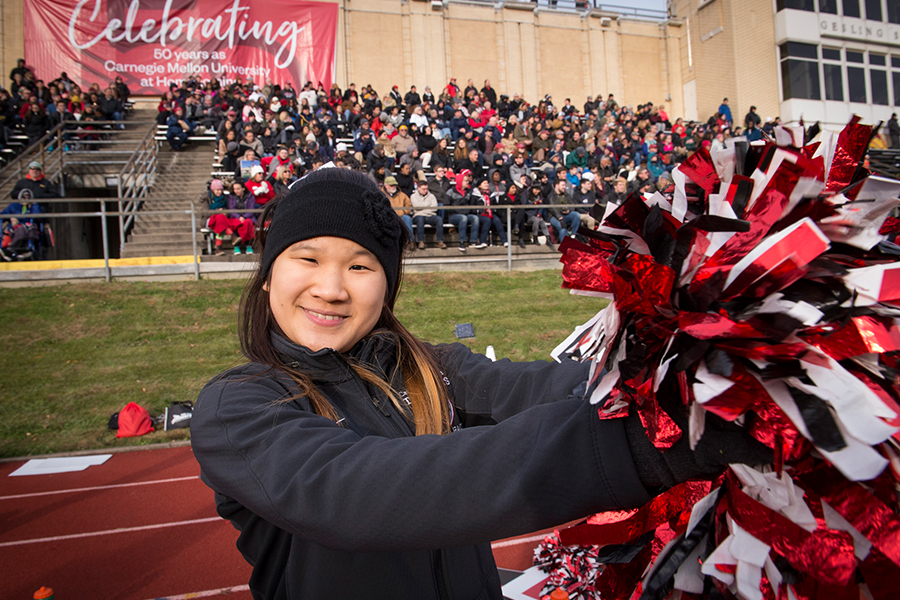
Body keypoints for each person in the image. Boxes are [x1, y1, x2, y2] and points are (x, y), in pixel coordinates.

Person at [191, 167, 767, 600]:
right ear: (267, 278)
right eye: (307, 259)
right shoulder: (237, 408)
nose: (332, 287)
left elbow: (548, 387)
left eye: (361, 266)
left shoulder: (430, 370)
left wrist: (675, 374)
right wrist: (637, 446)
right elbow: (361, 493)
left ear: (386, 289)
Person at [410, 179, 447, 250]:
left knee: (439, 219)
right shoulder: (413, 196)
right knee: (420, 220)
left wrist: (422, 208)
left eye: (426, 189)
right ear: (418, 188)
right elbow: (416, 206)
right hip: (418, 215)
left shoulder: (432, 196)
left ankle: (440, 241)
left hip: (430, 215)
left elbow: (435, 208)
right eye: (423, 189)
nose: (425, 191)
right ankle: (421, 241)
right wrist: (428, 205)